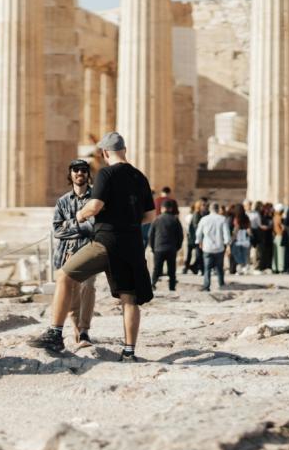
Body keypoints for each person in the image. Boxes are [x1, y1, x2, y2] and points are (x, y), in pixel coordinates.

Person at [29, 132, 155, 362]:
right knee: (130, 299)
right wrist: (128, 221)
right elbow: (149, 216)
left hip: (106, 242)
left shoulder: (106, 173)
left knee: (64, 275)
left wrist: (80, 214)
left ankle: (55, 334)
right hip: (133, 245)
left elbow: (95, 206)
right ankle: (129, 352)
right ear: (124, 150)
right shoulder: (140, 177)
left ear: (105, 153)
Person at [52, 159, 97, 347]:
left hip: (89, 250)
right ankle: (77, 331)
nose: (80, 173)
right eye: (76, 170)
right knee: (70, 293)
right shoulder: (62, 201)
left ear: (88, 174)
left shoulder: (96, 198)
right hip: (66, 253)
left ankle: (85, 330)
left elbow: (94, 227)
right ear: (70, 174)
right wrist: (81, 225)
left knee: (88, 287)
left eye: (84, 170)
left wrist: (70, 224)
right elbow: (57, 230)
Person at [149, 200, 184, 290]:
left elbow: (151, 235)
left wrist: (153, 248)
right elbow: (180, 235)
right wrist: (177, 247)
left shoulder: (156, 219)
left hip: (158, 248)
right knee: (171, 270)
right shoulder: (175, 219)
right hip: (171, 249)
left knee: (156, 268)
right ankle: (172, 287)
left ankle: (153, 284)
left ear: (162, 209)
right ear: (171, 209)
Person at [196, 202, 230, 291]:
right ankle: (221, 284)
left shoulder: (204, 219)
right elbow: (226, 233)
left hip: (207, 247)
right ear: (218, 209)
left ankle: (206, 286)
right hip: (219, 247)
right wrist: (227, 244)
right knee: (219, 268)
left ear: (210, 209)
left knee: (207, 268)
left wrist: (199, 241)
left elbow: (198, 233)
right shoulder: (222, 219)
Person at [229, 204, 252, 275]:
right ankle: (244, 267)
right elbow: (249, 227)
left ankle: (237, 268)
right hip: (245, 238)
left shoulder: (236, 218)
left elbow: (236, 229)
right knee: (244, 253)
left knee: (236, 253)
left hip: (237, 238)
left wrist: (232, 239)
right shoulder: (246, 217)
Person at [182, 200, 204, 275]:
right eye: (202, 205)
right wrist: (199, 238)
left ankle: (190, 267)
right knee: (198, 254)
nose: (204, 207)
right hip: (194, 238)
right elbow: (196, 227)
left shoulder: (198, 214)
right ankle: (193, 267)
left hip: (193, 238)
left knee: (192, 254)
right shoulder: (196, 215)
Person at [255, 202, 274, 273]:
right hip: (262, 237)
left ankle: (268, 266)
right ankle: (261, 267)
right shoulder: (261, 216)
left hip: (269, 237)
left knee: (269, 251)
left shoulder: (270, 217)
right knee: (262, 252)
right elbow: (260, 225)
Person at [272, 203, 286, 274]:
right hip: (280, 235)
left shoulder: (274, 217)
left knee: (275, 253)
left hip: (275, 236)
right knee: (281, 253)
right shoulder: (279, 218)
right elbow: (283, 227)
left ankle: (275, 267)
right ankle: (281, 268)